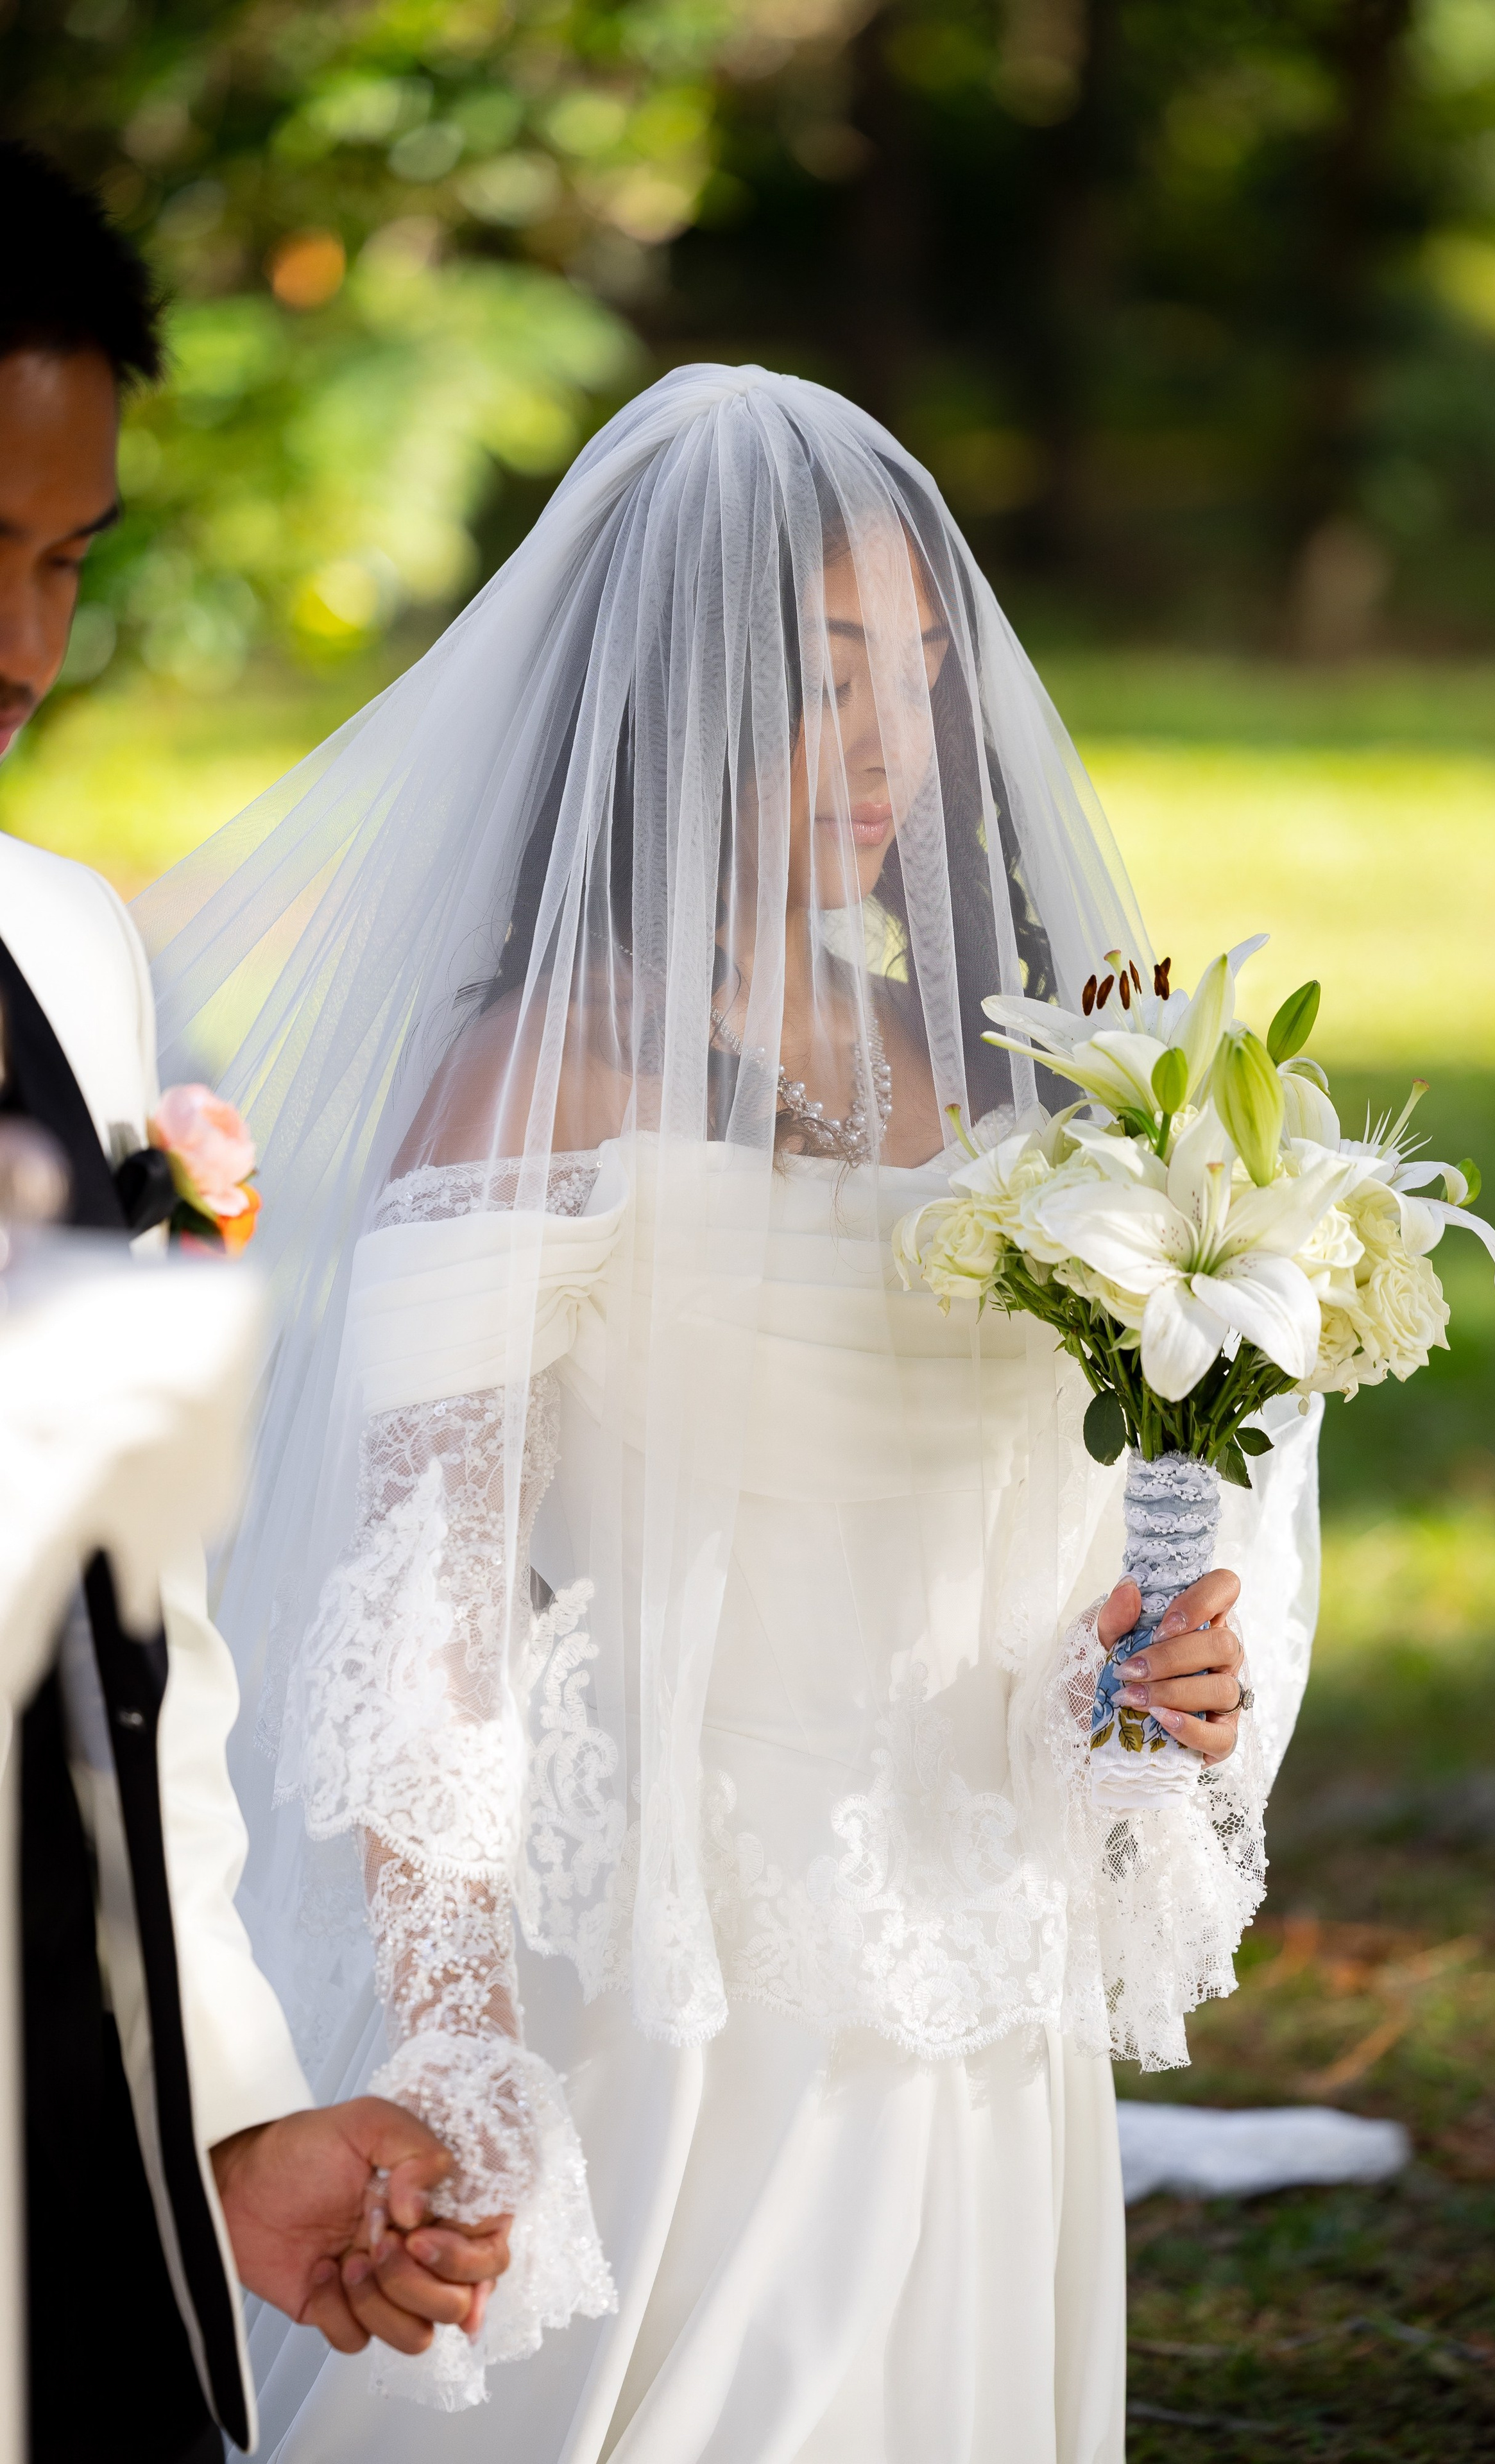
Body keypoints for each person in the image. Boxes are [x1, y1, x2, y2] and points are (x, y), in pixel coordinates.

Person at [141, 364, 1322, 2461]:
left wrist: (1134, 1685)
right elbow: (424, 1611)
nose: (889, 744)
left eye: (919, 675)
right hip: (682, 2003)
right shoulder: (546, 1076)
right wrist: (460, 2037)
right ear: (674, 691)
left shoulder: (1021, 1079)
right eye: (825, 674)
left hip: (982, 1993)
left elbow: (1023, 1540)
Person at [0, 141, 511, 2464]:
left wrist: (222, 2109)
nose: (25, 651)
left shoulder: (68, 949)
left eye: (64, 562)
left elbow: (141, 1627)